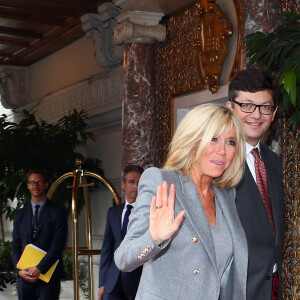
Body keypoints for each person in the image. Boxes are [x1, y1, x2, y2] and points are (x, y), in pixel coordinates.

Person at [114, 104, 248, 300]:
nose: (222, 151)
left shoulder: (226, 194)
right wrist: (154, 238)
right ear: (192, 141)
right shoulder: (161, 181)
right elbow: (123, 258)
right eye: (213, 139)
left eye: (230, 142)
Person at [226, 68, 284, 300]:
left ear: (274, 112)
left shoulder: (274, 162)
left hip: (272, 289)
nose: (256, 115)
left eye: (265, 107)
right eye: (247, 105)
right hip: (232, 291)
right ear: (230, 107)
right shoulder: (217, 161)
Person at [11, 170, 67, 300]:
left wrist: (39, 268)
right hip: (24, 277)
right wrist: (19, 271)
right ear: (28, 185)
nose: (35, 186)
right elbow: (15, 246)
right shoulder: (20, 215)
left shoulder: (58, 213)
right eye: (32, 182)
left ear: (46, 185)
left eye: (39, 182)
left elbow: (57, 246)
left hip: (48, 276)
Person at [98, 165, 144, 300]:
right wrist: (102, 282)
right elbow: (107, 249)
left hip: (137, 282)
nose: (136, 187)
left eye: (139, 183)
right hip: (112, 282)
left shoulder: (149, 214)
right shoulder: (113, 213)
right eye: (131, 182)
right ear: (123, 185)